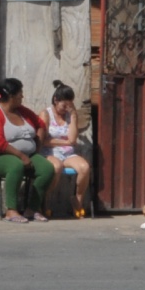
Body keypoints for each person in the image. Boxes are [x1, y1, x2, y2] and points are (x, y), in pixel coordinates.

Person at [0, 77, 55, 224]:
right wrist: (21, 156)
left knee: (47, 169)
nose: (22, 97)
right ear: (11, 97)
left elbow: (40, 124)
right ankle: (11, 211)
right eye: (20, 94)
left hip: (27, 154)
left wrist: (37, 145)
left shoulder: (22, 111)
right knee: (16, 165)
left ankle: (33, 209)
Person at [40, 80, 91, 218]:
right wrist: (64, 141)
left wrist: (74, 115)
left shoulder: (70, 115)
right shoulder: (46, 114)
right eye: (64, 105)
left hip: (67, 153)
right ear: (56, 100)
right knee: (56, 167)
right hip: (49, 152)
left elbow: (73, 140)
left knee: (84, 167)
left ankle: (77, 201)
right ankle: (47, 200)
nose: (66, 108)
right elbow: (44, 140)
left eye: (69, 105)